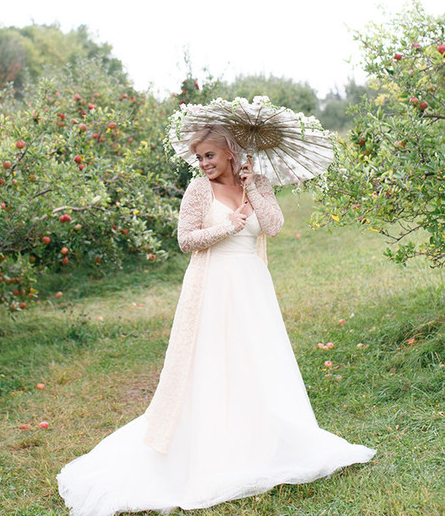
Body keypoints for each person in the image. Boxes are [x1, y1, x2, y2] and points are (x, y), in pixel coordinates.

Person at [56, 123, 376, 515]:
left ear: (230, 152)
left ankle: (258, 442)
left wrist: (253, 188)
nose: (203, 163)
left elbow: (273, 226)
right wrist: (228, 225)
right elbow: (185, 239)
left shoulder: (256, 182)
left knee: (255, 363)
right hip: (212, 289)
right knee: (213, 365)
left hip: (253, 289)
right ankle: (209, 447)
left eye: (209, 155)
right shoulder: (198, 190)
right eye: (199, 157)